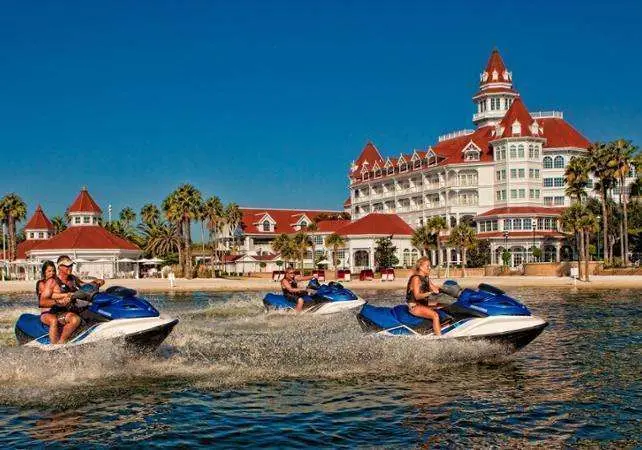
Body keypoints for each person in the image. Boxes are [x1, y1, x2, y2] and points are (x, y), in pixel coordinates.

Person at [37, 260, 76, 345]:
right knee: (53, 320)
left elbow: (58, 295)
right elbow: (47, 298)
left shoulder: (55, 282)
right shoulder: (42, 283)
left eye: (53, 271)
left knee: (74, 318)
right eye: (49, 271)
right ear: (44, 272)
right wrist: (63, 298)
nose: (52, 273)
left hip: (57, 311)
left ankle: (63, 341)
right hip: (46, 313)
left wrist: (67, 297)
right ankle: (54, 346)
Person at [406, 256, 443, 336]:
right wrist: (430, 293)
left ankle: (446, 326)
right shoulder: (416, 278)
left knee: (445, 304)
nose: (429, 268)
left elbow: (434, 288)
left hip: (423, 304)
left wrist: (447, 290)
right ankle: (439, 337)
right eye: (427, 266)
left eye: (430, 266)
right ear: (420, 267)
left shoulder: (426, 278)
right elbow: (417, 296)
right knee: (435, 315)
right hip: (414, 306)